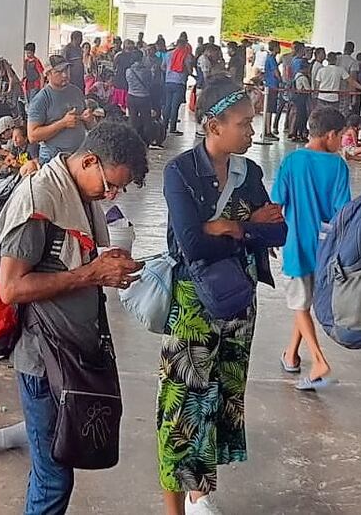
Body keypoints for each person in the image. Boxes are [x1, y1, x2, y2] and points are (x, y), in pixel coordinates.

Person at [0, 121, 148, 514]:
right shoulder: (40, 199)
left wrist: (103, 265)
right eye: (110, 185)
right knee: (55, 476)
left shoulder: (79, 197)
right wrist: (90, 275)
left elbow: (69, 261)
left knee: (52, 466)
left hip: (69, 356)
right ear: (90, 160)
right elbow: (11, 288)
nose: (112, 195)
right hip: (43, 362)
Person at [158, 76, 287, 515]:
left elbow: (279, 230)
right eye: (244, 123)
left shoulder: (249, 172)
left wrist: (233, 227)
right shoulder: (180, 173)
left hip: (238, 302)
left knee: (219, 393)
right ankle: (182, 504)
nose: (252, 131)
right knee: (183, 400)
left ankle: (201, 492)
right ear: (213, 125)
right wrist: (248, 227)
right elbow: (190, 246)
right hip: (194, 304)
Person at [272, 107, 349, 390]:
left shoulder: (292, 162)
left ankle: (318, 360)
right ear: (330, 135)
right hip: (326, 249)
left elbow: (277, 203)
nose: (341, 142)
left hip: (296, 245)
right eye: (341, 136)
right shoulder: (339, 166)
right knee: (302, 305)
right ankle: (291, 355)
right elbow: (344, 212)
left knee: (299, 303)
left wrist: (270, 237)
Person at [164, 35, 194, 136]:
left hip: (168, 81)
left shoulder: (168, 54)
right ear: (185, 44)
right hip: (179, 83)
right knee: (175, 106)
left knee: (167, 104)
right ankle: (172, 128)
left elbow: (162, 67)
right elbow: (189, 70)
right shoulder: (186, 56)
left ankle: (164, 125)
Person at [288, 58, 313, 142]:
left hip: (297, 98)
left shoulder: (297, 75)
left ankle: (295, 133)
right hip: (302, 98)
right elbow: (308, 89)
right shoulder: (303, 78)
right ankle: (300, 134)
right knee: (302, 117)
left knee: (298, 116)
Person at [264, 40, 283, 135]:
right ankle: (267, 130)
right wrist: (281, 80)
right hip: (272, 86)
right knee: (270, 109)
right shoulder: (271, 59)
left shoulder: (271, 58)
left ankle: (266, 129)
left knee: (269, 109)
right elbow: (276, 73)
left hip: (271, 85)